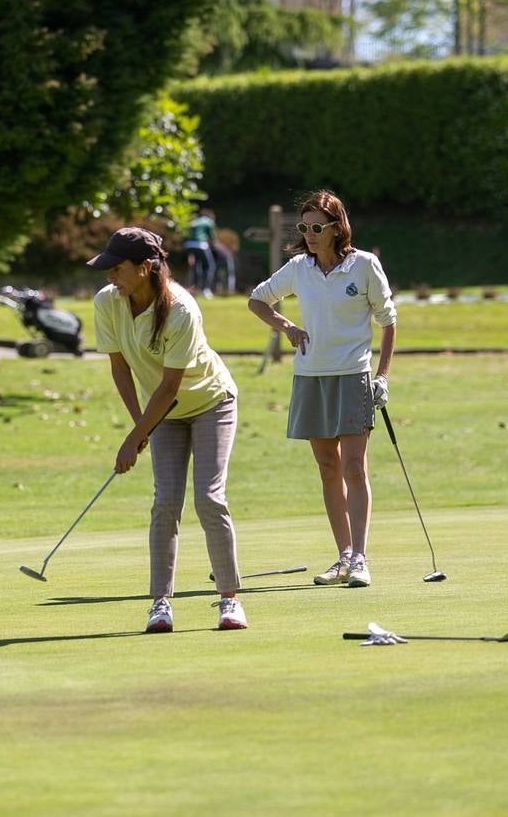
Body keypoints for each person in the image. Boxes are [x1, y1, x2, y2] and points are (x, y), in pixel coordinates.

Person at [88, 227, 247, 633]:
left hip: (211, 403)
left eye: (117, 269)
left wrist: (135, 436)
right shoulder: (108, 302)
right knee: (165, 503)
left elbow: (170, 385)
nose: (110, 276)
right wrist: (138, 427)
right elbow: (120, 368)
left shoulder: (181, 309)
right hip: (163, 414)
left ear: (145, 268)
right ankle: (160, 603)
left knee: (209, 499)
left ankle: (229, 601)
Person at [247, 190, 397, 588]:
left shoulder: (364, 266)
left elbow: (388, 323)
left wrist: (381, 377)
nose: (310, 234)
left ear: (336, 228)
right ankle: (344, 556)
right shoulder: (298, 268)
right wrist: (288, 328)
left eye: (317, 227)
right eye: (304, 227)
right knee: (328, 467)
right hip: (310, 378)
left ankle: (361, 558)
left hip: (352, 376)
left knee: (353, 466)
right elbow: (257, 301)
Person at [183, 210, 216, 299]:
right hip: (200, 245)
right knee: (210, 266)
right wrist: (213, 245)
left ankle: (194, 289)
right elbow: (212, 237)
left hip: (188, 245)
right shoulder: (208, 221)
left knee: (196, 267)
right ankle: (205, 289)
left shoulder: (194, 221)